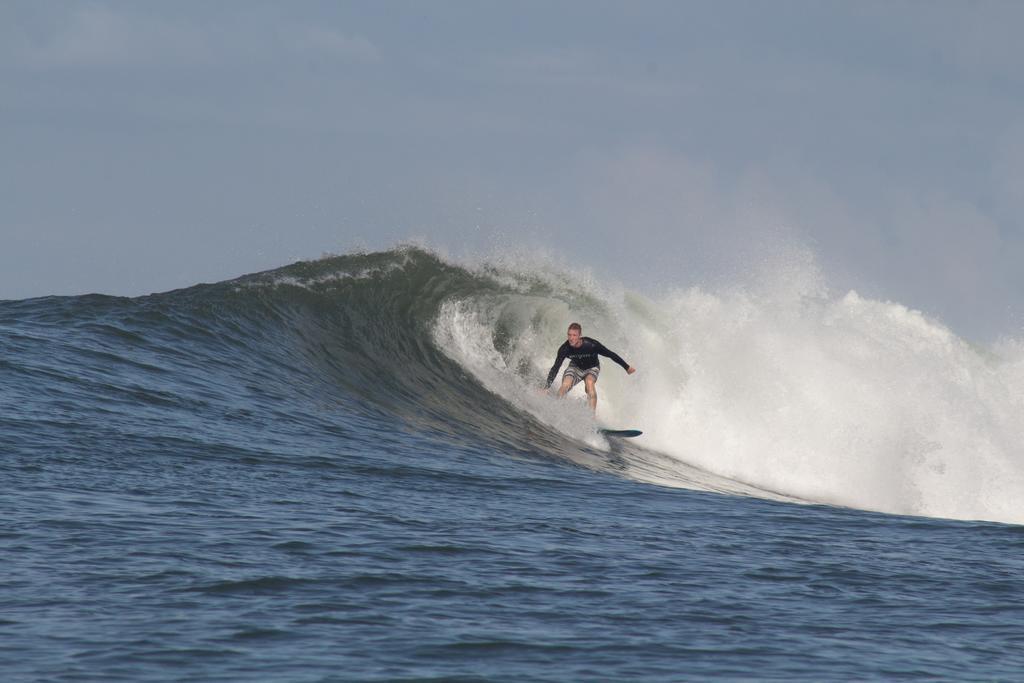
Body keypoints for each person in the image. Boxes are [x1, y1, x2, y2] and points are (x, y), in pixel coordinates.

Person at [545, 322, 636, 413]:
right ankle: (554, 408)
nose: (571, 338)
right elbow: (555, 367)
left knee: (589, 384)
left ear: (580, 335)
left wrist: (627, 367)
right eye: (569, 335)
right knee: (565, 385)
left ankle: (591, 418)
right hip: (575, 367)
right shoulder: (564, 349)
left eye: (574, 335)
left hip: (592, 368)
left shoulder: (592, 345)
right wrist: (546, 387)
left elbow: (610, 354)